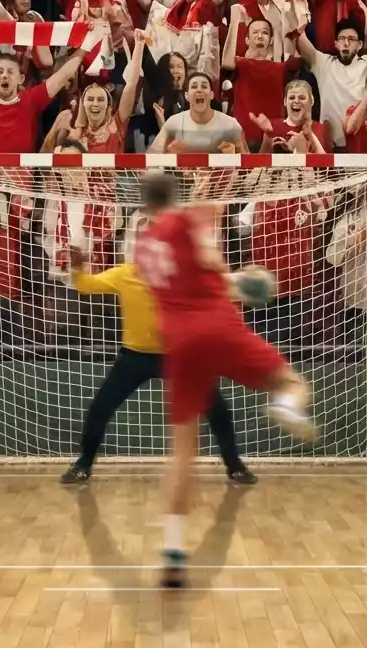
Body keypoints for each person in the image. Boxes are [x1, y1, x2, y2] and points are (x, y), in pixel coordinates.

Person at [134, 171, 316, 589]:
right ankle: (284, 404)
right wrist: (248, 279)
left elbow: (182, 279)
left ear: (143, 207)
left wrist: (230, 280)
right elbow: (213, 259)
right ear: (174, 198)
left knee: (183, 454)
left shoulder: (143, 247)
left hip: (177, 343)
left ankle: (174, 553)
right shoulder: (184, 222)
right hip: (216, 324)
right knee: (289, 381)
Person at [60, 214, 251, 487]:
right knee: (100, 408)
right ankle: (82, 465)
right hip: (135, 358)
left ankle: (235, 468)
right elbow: (85, 285)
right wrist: (77, 270)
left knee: (217, 410)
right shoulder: (125, 273)